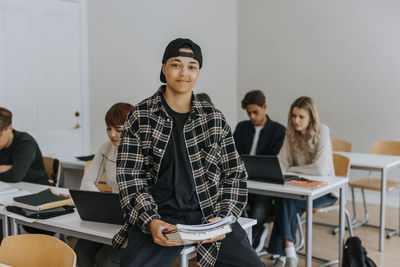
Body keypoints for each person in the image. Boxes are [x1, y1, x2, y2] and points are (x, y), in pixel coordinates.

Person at [112, 38, 265, 267]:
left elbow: (235, 175)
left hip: (208, 217)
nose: (184, 72)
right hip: (162, 219)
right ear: (164, 68)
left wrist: (223, 218)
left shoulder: (214, 118)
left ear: (198, 72)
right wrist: (150, 220)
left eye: (192, 66)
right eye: (176, 64)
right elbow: (130, 177)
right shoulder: (140, 116)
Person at [267, 96, 336, 267]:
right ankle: (288, 252)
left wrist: (291, 170)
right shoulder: (291, 134)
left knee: (287, 200)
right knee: (286, 198)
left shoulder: (323, 131)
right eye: (293, 116)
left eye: (301, 117)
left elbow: (319, 169)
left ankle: (283, 255)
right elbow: (281, 162)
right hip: (300, 189)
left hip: (325, 191)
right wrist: (286, 169)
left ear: (311, 117)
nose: (296, 120)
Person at [74, 102, 133, 267]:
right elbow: (87, 181)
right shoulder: (107, 148)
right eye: (109, 128)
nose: (112, 134)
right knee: (80, 251)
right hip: (111, 217)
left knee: (106, 260)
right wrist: (102, 204)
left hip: (135, 221)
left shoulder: (144, 151)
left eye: (119, 130)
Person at [233, 90, 286, 251]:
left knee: (259, 207)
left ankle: (251, 242)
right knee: (233, 203)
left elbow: (275, 161)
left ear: (265, 107)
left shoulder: (278, 130)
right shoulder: (242, 128)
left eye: (256, 112)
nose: (252, 117)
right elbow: (233, 153)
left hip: (265, 182)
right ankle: (242, 241)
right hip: (243, 179)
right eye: (249, 113)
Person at [0, 107, 48, 184]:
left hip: (36, 189)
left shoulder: (26, 143)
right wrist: (10, 167)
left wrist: (11, 169)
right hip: (10, 187)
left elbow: (15, 176)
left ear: (10, 128)